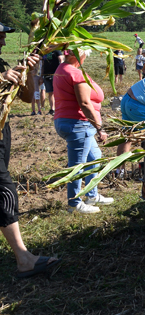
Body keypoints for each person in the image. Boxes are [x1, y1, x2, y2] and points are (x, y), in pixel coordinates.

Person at [0, 23, 60, 278]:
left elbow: (25, 98)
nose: (3, 41)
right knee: (4, 189)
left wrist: (29, 72)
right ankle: (24, 259)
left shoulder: (1, 63)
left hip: (2, 131)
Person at [53, 47, 113, 214]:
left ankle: (92, 195)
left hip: (67, 121)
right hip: (78, 124)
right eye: (85, 54)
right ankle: (74, 203)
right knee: (78, 165)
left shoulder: (61, 69)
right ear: (78, 54)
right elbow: (85, 103)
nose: (86, 57)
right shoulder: (75, 74)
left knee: (95, 158)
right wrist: (99, 128)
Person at [40, 48, 64, 115]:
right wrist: (41, 76)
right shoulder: (44, 52)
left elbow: (61, 60)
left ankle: (59, 108)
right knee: (50, 92)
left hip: (55, 74)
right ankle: (52, 109)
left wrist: (61, 72)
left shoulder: (56, 50)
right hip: (46, 74)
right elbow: (43, 64)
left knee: (57, 92)